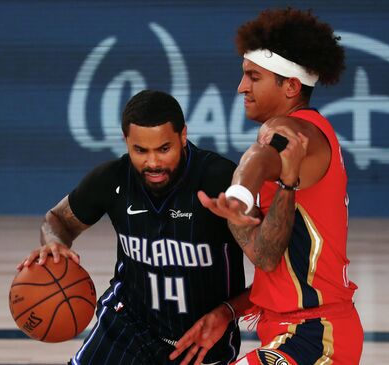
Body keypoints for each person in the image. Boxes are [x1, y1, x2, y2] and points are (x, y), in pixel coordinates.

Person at [170, 8, 363, 365]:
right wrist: (228, 311)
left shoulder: (294, 132)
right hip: (299, 332)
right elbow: (272, 259)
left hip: (314, 335)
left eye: (253, 76)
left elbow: (258, 158)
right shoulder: (305, 136)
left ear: (290, 85)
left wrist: (239, 197)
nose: (241, 87)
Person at [18, 90, 246, 365]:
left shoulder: (218, 180)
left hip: (203, 338)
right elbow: (57, 219)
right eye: (140, 150)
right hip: (128, 321)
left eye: (164, 149)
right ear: (126, 141)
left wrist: (228, 312)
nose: (153, 163)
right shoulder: (112, 179)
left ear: (183, 136)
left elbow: (277, 269)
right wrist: (54, 243)